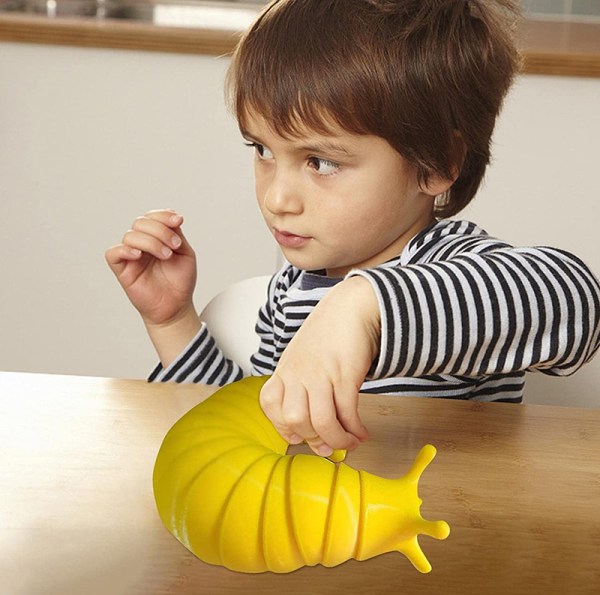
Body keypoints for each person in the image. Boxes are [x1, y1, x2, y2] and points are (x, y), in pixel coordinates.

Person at [106, 0, 600, 458]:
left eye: (320, 161)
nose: (277, 199)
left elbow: (576, 299)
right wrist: (173, 323)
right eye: (262, 151)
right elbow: (251, 432)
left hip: (451, 543)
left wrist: (366, 305)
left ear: (437, 163)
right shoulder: (293, 290)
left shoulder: (452, 265)